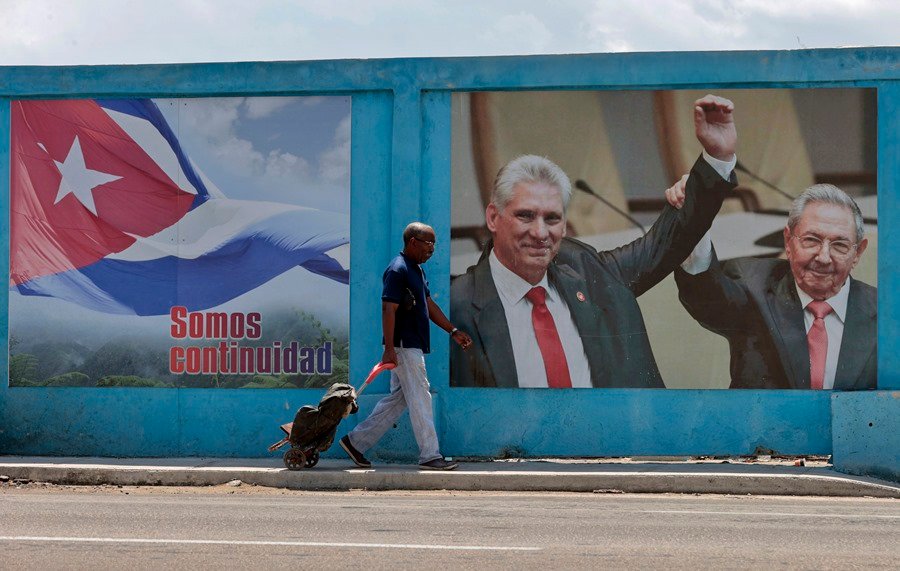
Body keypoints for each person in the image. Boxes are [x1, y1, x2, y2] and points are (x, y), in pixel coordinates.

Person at [450, 95, 738, 388]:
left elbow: (662, 244)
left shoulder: (585, 270)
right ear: (493, 218)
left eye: (552, 219)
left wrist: (716, 159)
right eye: (525, 216)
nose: (540, 233)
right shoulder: (456, 305)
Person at [668, 181, 876, 390]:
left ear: (857, 253)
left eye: (839, 245)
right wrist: (695, 220)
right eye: (811, 240)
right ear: (788, 241)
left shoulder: (887, 315)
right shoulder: (753, 284)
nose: (823, 257)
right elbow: (705, 295)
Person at [340, 222, 473, 469]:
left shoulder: (417, 270)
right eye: (428, 243)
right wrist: (389, 348)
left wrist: (452, 330)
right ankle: (430, 455)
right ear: (413, 242)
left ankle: (356, 442)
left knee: (398, 400)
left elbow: (429, 304)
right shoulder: (398, 269)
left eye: (435, 244)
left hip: (411, 345)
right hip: (403, 346)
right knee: (421, 398)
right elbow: (388, 308)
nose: (432, 249)